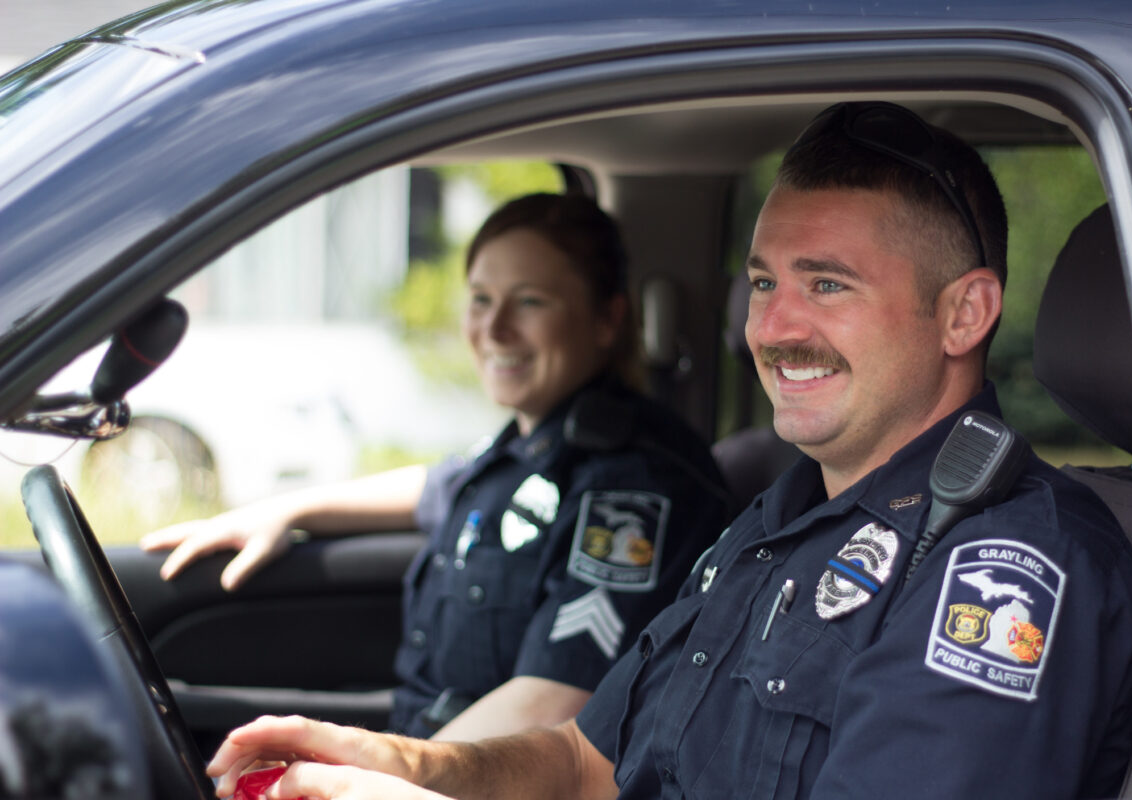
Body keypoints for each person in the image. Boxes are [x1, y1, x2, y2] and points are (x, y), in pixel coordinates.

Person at [203, 102, 1132, 800]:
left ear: (964, 314)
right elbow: (586, 762)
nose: (771, 327)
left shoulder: (1006, 566)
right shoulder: (775, 524)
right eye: (764, 280)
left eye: (826, 285)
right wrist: (410, 765)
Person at [140, 192, 731, 742]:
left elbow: (551, 706)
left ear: (607, 319)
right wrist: (289, 509)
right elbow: (436, 486)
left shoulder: (636, 486)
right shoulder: (529, 446)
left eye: (529, 301)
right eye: (480, 299)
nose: (494, 329)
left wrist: (375, 780)